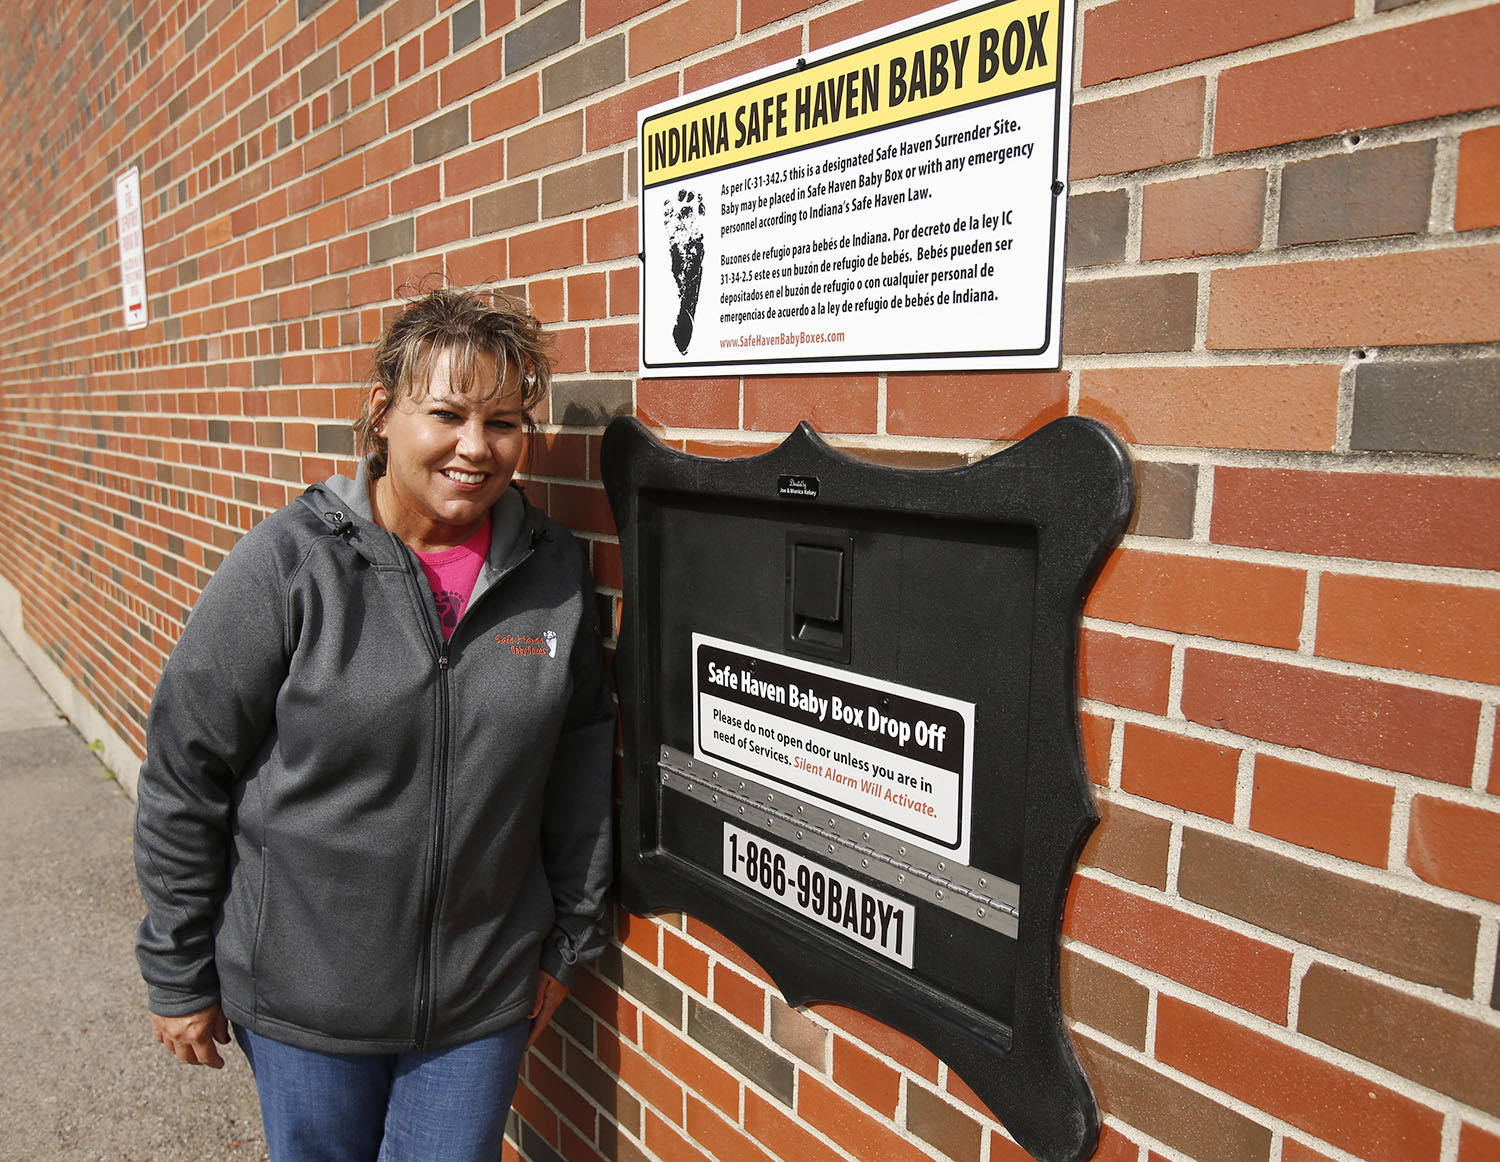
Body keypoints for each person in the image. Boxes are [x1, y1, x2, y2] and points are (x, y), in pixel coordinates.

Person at [133, 287, 616, 1162]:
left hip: (480, 999)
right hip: (305, 1002)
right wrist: (177, 968)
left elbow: (579, 769)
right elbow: (184, 771)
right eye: (448, 413)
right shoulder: (289, 565)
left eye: (505, 421)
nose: (477, 447)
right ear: (382, 414)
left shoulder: (554, 575)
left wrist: (567, 940)